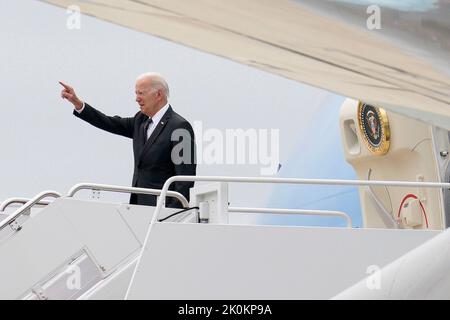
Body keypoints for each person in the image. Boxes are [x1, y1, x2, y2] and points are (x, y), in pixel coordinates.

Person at [59, 72, 196, 208]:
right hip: (138, 207)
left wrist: (172, 212)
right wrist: (78, 104)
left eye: (141, 93)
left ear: (158, 94)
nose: (137, 99)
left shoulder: (180, 127)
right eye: (136, 93)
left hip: (163, 211)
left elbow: (185, 179)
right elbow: (109, 122)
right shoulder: (140, 121)